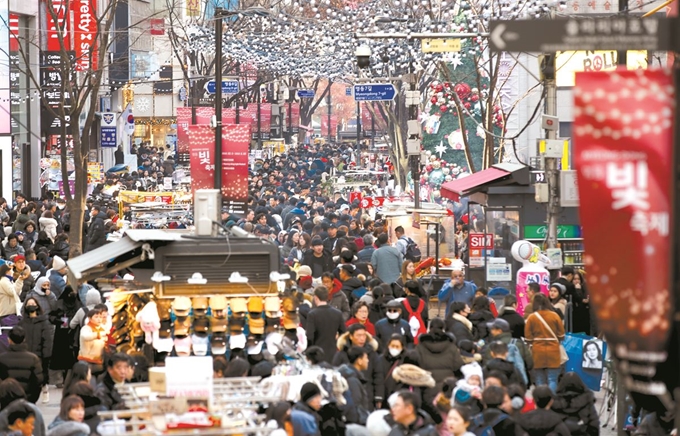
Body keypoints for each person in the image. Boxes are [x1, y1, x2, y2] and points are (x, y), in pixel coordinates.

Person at [333, 323, 384, 410]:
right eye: (358, 335)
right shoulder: (342, 353)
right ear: (351, 336)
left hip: (368, 394)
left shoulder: (372, 353)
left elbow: (378, 375)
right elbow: (334, 373)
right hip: (347, 394)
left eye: (364, 335)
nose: (362, 338)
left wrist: (378, 396)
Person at [525, 293, 565, 393]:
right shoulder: (555, 316)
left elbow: (528, 338)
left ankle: (541, 402)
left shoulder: (531, 317)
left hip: (537, 351)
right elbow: (561, 335)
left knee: (539, 379)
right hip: (553, 351)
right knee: (552, 379)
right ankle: (552, 402)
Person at [18, 297, 52, 404]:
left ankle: (44, 389)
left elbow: (47, 339)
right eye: (29, 304)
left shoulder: (43, 322)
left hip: (40, 354)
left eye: (33, 303)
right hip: (26, 353)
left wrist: (47, 353)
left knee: (41, 375)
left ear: (37, 306)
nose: (31, 305)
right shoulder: (22, 323)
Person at [416, 318, 464, 394]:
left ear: (429, 328)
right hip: (447, 388)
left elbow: (416, 367)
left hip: (426, 388)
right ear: (443, 329)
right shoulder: (451, 347)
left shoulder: (420, 347)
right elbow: (458, 366)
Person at [48, 287, 81, 387]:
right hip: (61, 334)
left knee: (72, 357)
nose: (72, 294)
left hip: (74, 333)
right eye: (71, 292)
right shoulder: (59, 303)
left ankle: (70, 380)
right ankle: (59, 380)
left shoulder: (77, 302)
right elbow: (51, 316)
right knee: (60, 356)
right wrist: (59, 320)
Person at [0, 327, 43, 403]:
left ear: (9, 340)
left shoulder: (2, 358)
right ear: (24, 339)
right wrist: (32, 399)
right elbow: (38, 382)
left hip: (6, 400)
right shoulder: (33, 358)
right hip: (27, 399)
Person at [305, 286, 346, 363]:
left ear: (316, 298)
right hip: (333, 353)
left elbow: (309, 336)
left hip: (317, 355)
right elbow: (344, 333)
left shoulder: (312, 314)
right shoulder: (338, 313)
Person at [338, 346, 370, 425]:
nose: (368, 361)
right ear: (359, 361)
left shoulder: (352, 375)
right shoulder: (352, 380)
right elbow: (355, 405)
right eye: (366, 358)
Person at [77, 308, 107, 375]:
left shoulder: (102, 329)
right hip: (86, 360)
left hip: (99, 361)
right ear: (90, 318)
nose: (99, 319)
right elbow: (85, 336)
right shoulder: (86, 328)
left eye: (100, 317)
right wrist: (98, 335)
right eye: (96, 317)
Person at [380, 334, 409, 401]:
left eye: (397, 346)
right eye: (392, 346)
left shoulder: (406, 360)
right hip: (384, 395)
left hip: (399, 396)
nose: (394, 348)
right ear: (388, 346)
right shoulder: (381, 359)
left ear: (402, 348)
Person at [571, 270, 592, 335]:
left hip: (584, 316)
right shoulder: (571, 289)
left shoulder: (584, 288)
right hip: (574, 316)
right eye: (574, 279)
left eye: (578, 279)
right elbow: (579, 299)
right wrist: (578, 290)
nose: (577, 281)